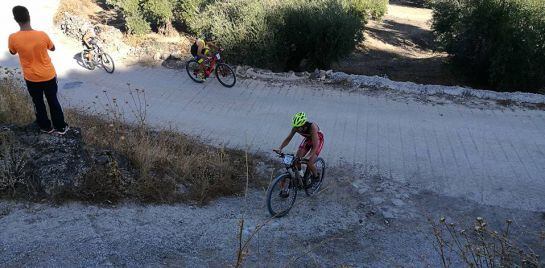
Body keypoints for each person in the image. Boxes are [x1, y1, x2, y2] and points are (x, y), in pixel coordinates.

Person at [8, 6, 69, 135]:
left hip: (31, 78)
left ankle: (45, 127)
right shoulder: (42, 34)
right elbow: (52, 48)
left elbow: (12, 52)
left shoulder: (13, 38)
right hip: (48, 75)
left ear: (15, 20)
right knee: (53, 100)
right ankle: (61, 127)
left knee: (38, 102)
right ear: (29, 16)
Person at [274, 112, 325, 187]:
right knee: (297, 158)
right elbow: (288, 138)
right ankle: (300, 175)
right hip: (308, 139)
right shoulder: (295, 127)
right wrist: (280, 148)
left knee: (309, 162)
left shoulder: (312, 127)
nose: (297, 129)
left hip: (318, 140)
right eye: (296, 127)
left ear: (304, 124)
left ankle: (316, 176)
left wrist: (309, 156)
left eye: (299, 127)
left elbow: (315, 146)